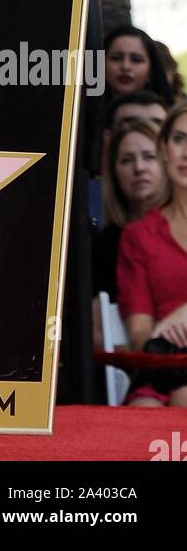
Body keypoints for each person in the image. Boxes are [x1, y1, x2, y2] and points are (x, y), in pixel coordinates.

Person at [117, 100, 187, 407]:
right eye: (179, 139)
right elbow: (140, 336)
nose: (186, 152)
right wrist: (165, 331)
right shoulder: (139, 235)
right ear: (165, 149)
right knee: (142, 412)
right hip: (163, 366)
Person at [91, 120, 164, 349]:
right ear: (114, 173)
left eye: (149, 157)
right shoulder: (106, 244)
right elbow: (94, 329)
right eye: (126, 160)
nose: (139, 167)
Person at [103, 24, 172, 104]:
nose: (125, 66)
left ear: (151, 69)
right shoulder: (85, 111)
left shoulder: (173, 115)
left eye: (136, 60)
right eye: (116, 58)